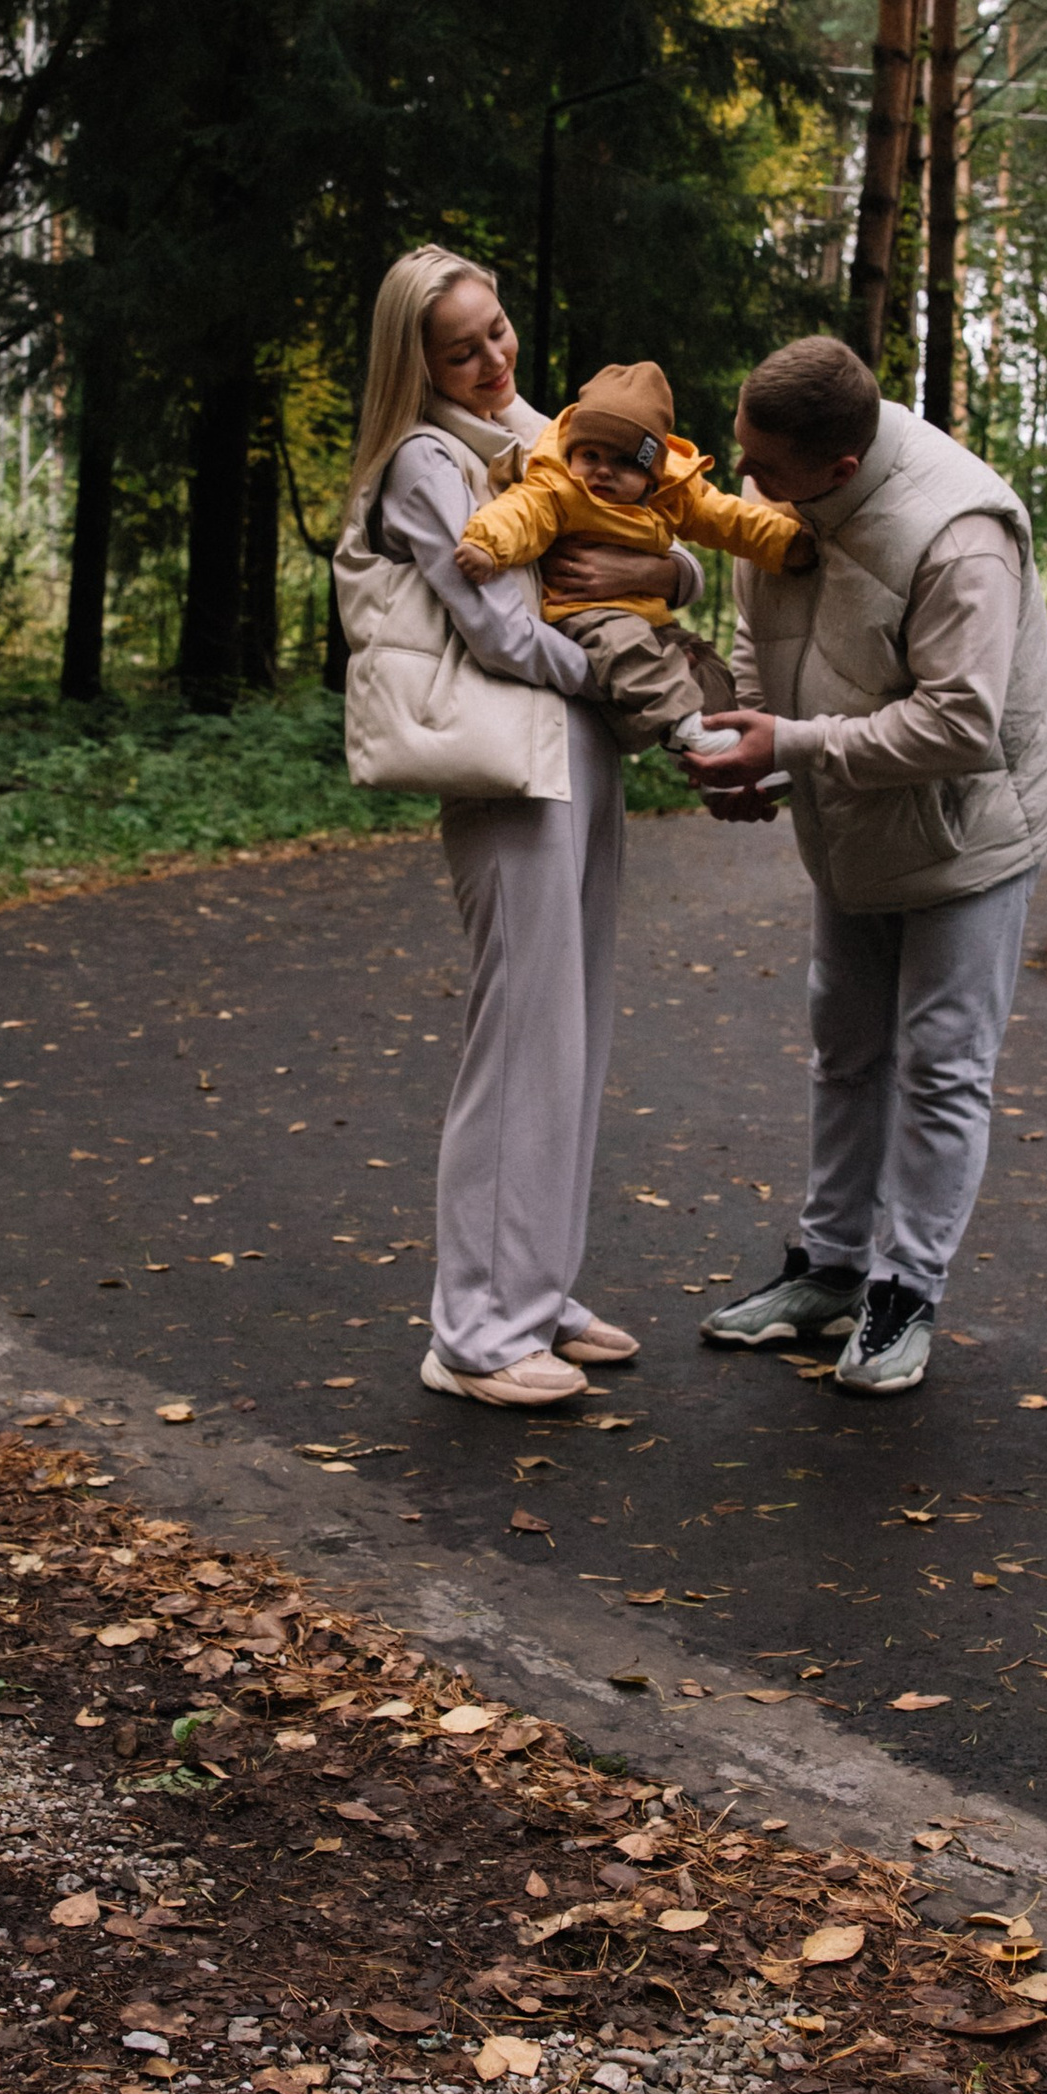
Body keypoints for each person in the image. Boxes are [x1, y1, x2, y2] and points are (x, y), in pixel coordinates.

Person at [685, 335, 1047, 1399]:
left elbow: (961, 725)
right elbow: (754, 630)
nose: (740, 479)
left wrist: (794, 745)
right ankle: (829, 1270)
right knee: (845, 1043)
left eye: (763, 465)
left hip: (972, 827)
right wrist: (752, 755)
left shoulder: (961, 540)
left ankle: (904, 1290)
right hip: (855, 816)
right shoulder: (778, 491)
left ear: (841, 468)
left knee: (943, 1062)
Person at [337, 251, 692, 1408]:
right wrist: (616, 668)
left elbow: (678, 549)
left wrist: (658, 570)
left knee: (572, 1028)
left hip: (578, 749)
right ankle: (474, 1332)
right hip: (507, 765)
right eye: (461, 349)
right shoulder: (426, 463)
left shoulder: (550, 436)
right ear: (417, 363)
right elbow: (495, 629)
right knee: (520, 1035)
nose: (492, 359)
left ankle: (535, 1291)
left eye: (496, 330)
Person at [453, 353, 812, 754]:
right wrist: (485, 545)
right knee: (630, 651)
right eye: (590, 456)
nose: (603, 471)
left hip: (652, 617)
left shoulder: (672, 494)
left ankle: (726, 748)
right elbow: (519, 513)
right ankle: (681, 723)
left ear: (651, 475)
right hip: (588, 615)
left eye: (624, 461)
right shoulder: (558, 490)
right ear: (573, 453)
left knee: (705, 662)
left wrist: (785, 542)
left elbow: (730, 518)